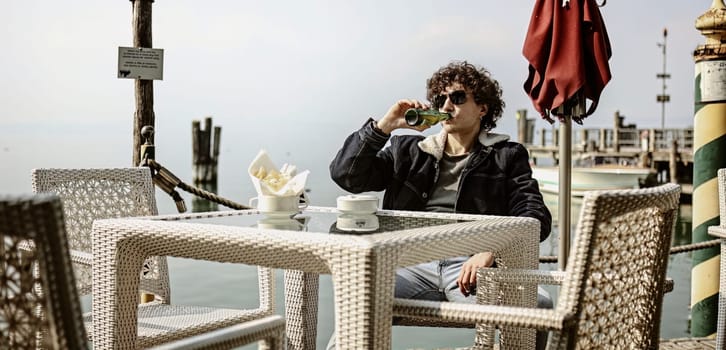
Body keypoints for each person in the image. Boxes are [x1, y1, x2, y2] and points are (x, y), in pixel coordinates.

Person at [327, 61, 552, 348]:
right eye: (440, 99)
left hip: (471, 268)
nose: (446, 106)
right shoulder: (407, 150)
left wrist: (493, 250)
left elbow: (535, 217)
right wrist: (385, 127)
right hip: (409, 263)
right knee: (359, 302)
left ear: (483, 108)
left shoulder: (507, 156)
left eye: (457, 98)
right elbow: (347, 176)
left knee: (540, 306)